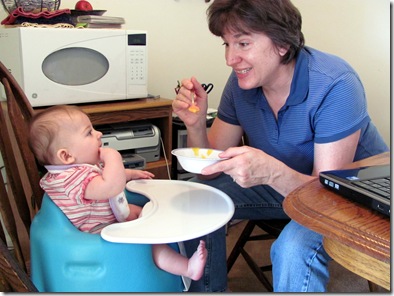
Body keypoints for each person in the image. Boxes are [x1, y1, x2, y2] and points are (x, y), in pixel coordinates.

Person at [172, 0, 388, 292]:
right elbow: (210, 170)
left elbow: (324, 196)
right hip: (288, 186)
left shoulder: (335, 83)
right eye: (226, 44)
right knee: (194, 201)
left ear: (282, 44)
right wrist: (195, 125)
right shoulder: (241, 84)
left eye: (243, 43)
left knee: (292, 249)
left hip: (348, 199)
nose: (230, 59)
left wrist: (271, 172)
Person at [28, 104, 207, 285]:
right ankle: (186, 268)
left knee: (144, 211)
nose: (98, 134)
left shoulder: (75, 170)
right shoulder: (70, 180)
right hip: (99, 232)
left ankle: (167, 233)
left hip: (108, 218)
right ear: (66, 156)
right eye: (89, 133)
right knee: (150, 241)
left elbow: (103, 176)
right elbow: (110, 186)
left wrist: (129, 174)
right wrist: (113, 156)